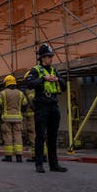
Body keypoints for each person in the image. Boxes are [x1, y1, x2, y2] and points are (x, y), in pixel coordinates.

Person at [26, 43, 68, 173]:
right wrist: (43, 78)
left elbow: (64, 86)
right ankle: (39, 164)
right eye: (49, 56)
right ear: (42, 58)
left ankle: (54, 164)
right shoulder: (35, 70)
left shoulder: (54, 70)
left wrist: (57, 80)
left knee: (53, 136)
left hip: (53, 105)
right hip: (41, 105)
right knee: (40, 136)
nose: (51, 58)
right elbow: (29, 84)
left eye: (51, 56)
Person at [0, 75, 27, 162]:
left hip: (6, 118)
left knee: (8, 136)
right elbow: (25, 105)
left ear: (6, 83)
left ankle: (8, 156)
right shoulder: (20, 93)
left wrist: (0, 112)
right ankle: (19, 157)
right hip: (18, 118)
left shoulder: (3, 93)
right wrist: (20, 112)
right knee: (18, 136)